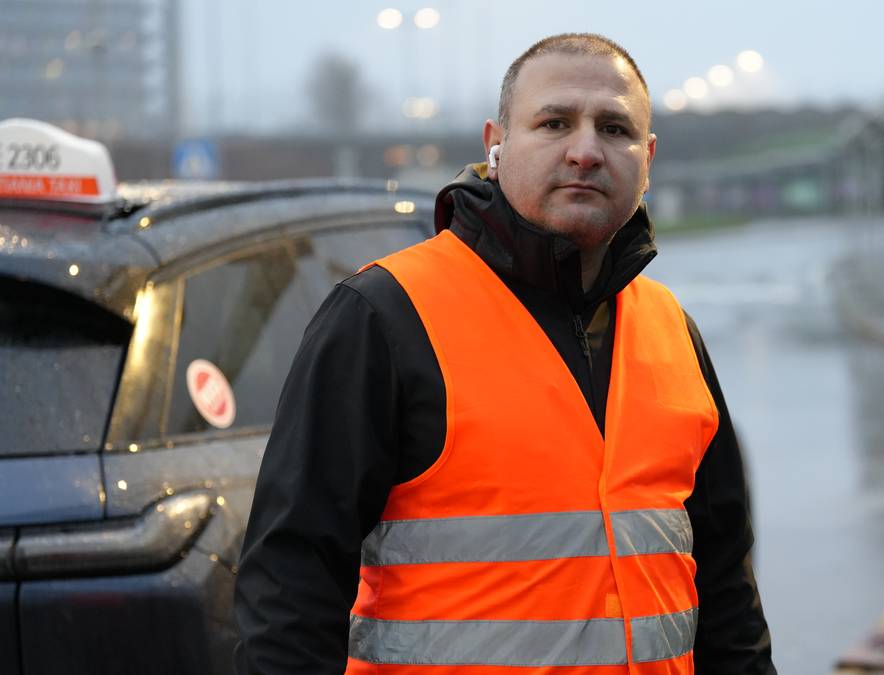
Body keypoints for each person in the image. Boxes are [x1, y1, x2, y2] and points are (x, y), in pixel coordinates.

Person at [234, 33, 775, 675]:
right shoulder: (385, 316)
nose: (585, 151)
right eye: (554, 123)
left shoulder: (672, 330)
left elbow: (727, 592)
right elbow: (289, 591)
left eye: (614, 129)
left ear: (648, 158)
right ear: (496, 144)